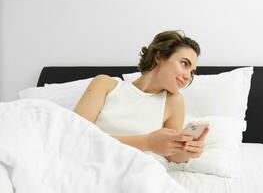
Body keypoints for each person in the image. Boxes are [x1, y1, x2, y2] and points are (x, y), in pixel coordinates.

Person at [74, 30, 209, 163]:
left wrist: (188, 151)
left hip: (140, 173)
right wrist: (147, 142)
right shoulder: (105, 85)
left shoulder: (173, 101)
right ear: (159, 56)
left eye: (192, 72)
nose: (188, 76)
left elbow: (172, 155)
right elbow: (74, 135)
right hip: (93, 164)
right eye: (184, 63)